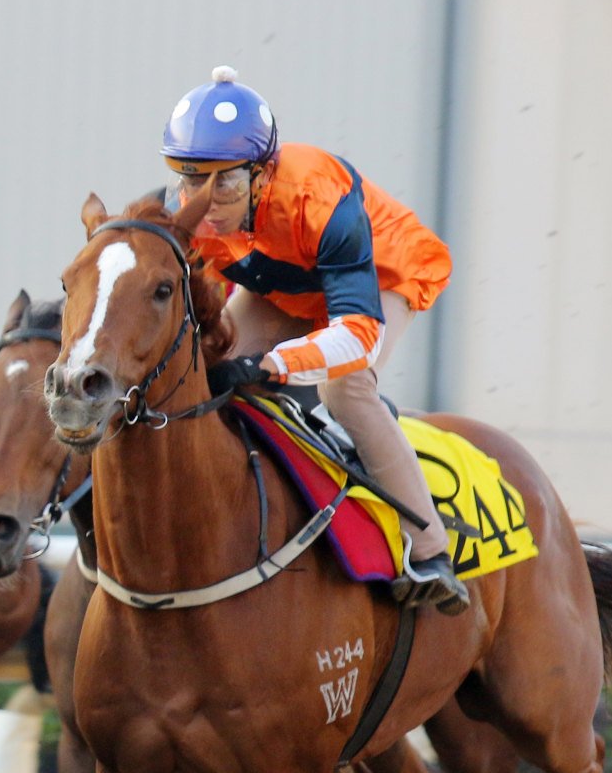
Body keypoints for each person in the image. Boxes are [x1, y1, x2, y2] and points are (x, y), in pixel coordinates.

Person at [167, 67, 467, 614]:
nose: (205, 203)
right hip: (289, 274)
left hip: (379, 273)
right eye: (189, 181)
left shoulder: (319, 195)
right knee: (214, 365)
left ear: (262, 175)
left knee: (344, 391)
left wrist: (271, 366)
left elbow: (355, 338)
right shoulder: (195, 213)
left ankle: (430, 553)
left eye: (225, 183)